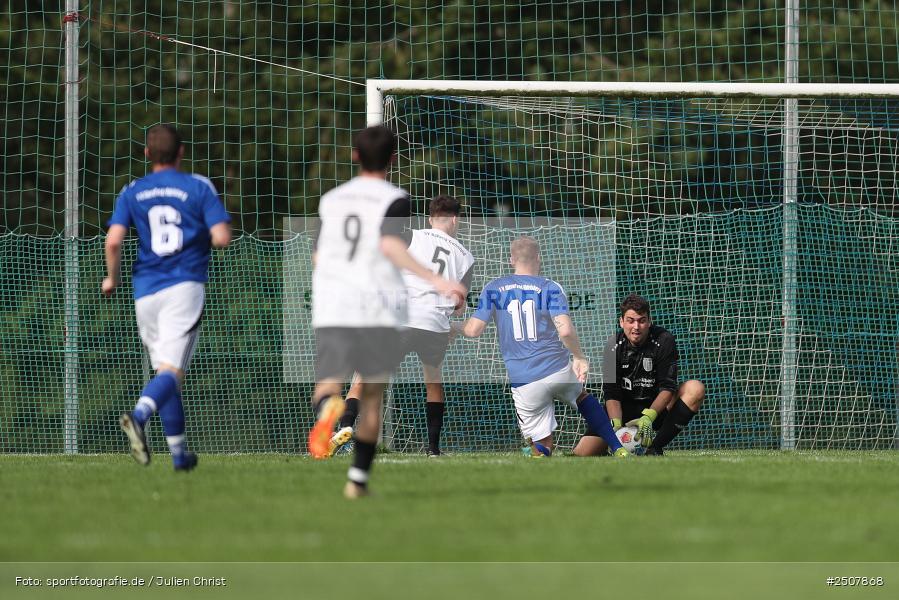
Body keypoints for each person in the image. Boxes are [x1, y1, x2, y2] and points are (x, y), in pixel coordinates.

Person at [307, 125, 466, 498]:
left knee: (330, 383)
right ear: (393, 159)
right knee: (373, 396)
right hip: (376, 304)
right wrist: (438, 280)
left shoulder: (331, 200)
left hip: (333, 302)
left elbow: (318, 256)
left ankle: (329, 407)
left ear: (355, 156)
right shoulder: (396, 199)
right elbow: (391, 246)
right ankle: (357, 482)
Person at [104, 123, 232, 471]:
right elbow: (221, 237)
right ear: (181, 153)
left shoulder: (132, 190)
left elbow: (113, 241)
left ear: (147, 154)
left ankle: (179, 456)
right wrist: (206, 234)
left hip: (145, 292)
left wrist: (112, 278)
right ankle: (139, 415)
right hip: (183, 287)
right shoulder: (198, 186)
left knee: (166, 372)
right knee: (171, 373)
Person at [451, 236, 627, 457]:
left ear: (511, 259)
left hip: (524, 380)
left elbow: (473, 330)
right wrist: (579, 356)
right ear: (538, 258)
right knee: (582, 397)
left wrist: (453, 327)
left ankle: (540, 455)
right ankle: (618, 448)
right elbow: (565, 330)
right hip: (557, 369)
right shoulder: (550, 287)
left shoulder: (494, 288)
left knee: (542, 446)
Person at [330, 195, 475, 458]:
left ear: (430, 218)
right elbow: (458, 304)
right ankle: (433, 448)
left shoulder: (412, 236)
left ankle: (345, 427)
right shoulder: (466, 257)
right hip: (435, 327)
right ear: (455, 220)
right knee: (433, 382)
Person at [573, 294, 705, 457]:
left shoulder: (664, 340)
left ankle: (654, 448)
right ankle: (616, 448)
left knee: (695, 388)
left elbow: (667, 388)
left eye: (642, 321)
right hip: (623, 410)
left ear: (649, 321)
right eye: (630, 320)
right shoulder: (612, 346)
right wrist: (616, 426)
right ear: (621, 322)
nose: (636, 327)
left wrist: (648, 417)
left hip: (655, 409)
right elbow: (611, 393)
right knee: (583, 453)